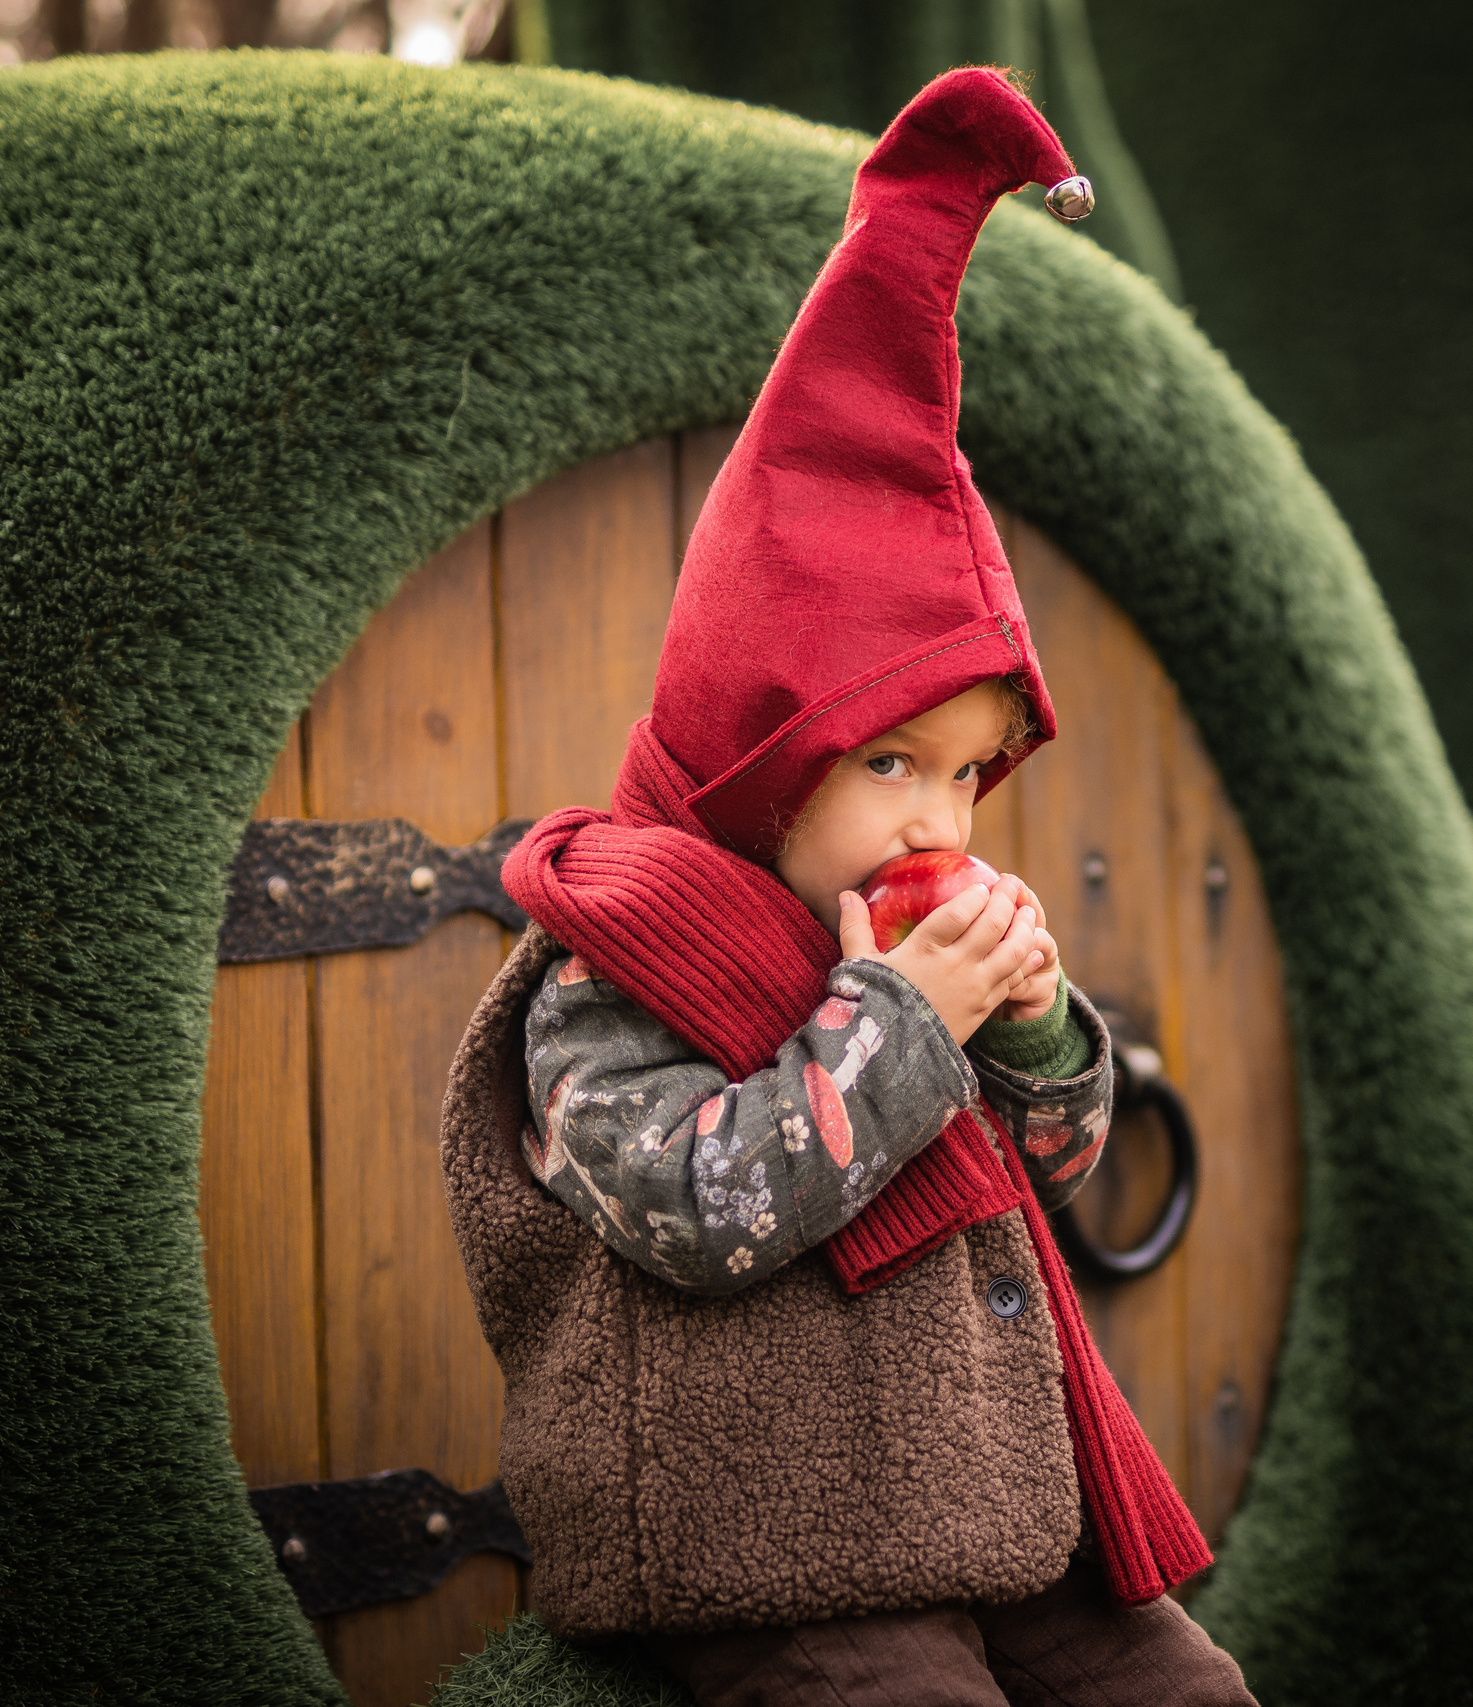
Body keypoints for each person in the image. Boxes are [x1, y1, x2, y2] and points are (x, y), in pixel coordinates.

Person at [440, 66, 1256, 1707]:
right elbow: (696, 1211)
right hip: (763, 1542)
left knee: (1183, 1690)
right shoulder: (611, 964)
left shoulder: (892, 938)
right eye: (888, 764)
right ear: (761, 752)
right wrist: (903, 1017)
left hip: (981, 1508)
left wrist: (1027, 1030)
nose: (935, 813)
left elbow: (1050, 1170)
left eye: (965, 772)